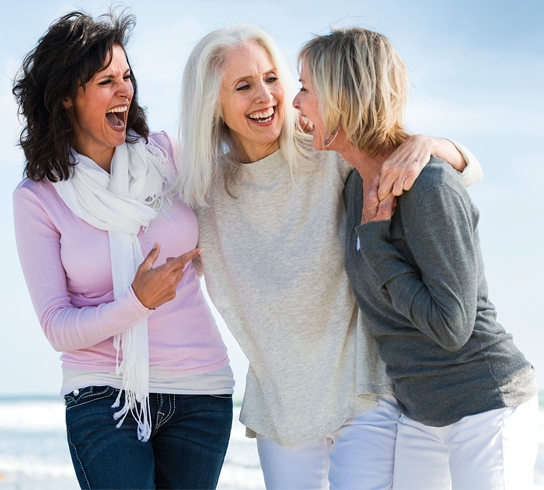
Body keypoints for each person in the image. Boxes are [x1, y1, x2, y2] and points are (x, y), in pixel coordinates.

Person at [175, 24, 482, 489]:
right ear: (211, 105)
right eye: (243, 86)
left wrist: (428, 144)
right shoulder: (201, 193)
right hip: (281, 408)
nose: (267, 96)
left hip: (363, 390)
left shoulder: (326, 149)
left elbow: (466, 170)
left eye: (272, 79)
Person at [293, 27, 539, 489]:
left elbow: (451, 326)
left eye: (306, 88)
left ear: (342, 98)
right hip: (420, 415)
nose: (295, 103)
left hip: (486, 405)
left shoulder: (428, 187)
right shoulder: (352, 185)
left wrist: (377, 244)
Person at [12, 10, 233, 490]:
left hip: (199, 391)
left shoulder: (167, 156)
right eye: (106, 80)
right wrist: (136, 304)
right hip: (102, 395)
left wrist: (431, 148)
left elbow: (253, 173)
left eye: (127, 76)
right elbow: (57, 326)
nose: (125, 90)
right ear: (68, 96)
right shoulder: (38, 198)